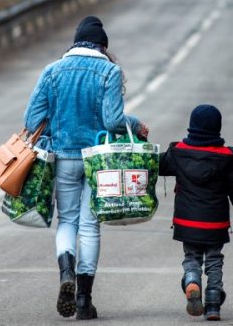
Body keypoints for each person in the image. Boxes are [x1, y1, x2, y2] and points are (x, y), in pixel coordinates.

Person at [24, 16, 149, 320]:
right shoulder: (109, 71)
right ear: (103, 46)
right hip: (99, 161)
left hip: (63, 157)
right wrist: (136, 125)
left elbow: (31, 121)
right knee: (91, 225)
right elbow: (114, 122)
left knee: (67, 221)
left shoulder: (51, 71)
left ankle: (65, 271)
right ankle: (83, 300)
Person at [159, 104, 233, 321]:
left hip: (187, 222)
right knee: (214, 260)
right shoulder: (225, 157)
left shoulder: (178, 152)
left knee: (191, 256)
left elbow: (157, 165)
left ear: (191, 127)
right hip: (215, 223)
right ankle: (213, 304)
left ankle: (192, 280)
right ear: (217, 128)